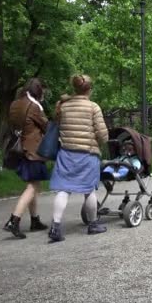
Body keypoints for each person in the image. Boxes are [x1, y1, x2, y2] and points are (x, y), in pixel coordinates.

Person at [48, 74, 109, 242]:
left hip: (66, 153)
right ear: (89, 89)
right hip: (87, 154)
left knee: (63, 189)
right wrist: (102, 142)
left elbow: (58, 126)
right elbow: (103, 135)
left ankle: (55, 227)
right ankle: (93, 224)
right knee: (88, 190)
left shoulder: (63, 106)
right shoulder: (93, 107)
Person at [3, 78, 50, 239]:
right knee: (33, 187)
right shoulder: (34, 106)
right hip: (33, 150)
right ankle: (13, 220)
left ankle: (35, 220)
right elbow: (46, 126)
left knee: (33, 184)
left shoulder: (15, 104)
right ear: (38, 90)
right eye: (42, 90)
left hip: (20, 149)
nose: (44, 93)